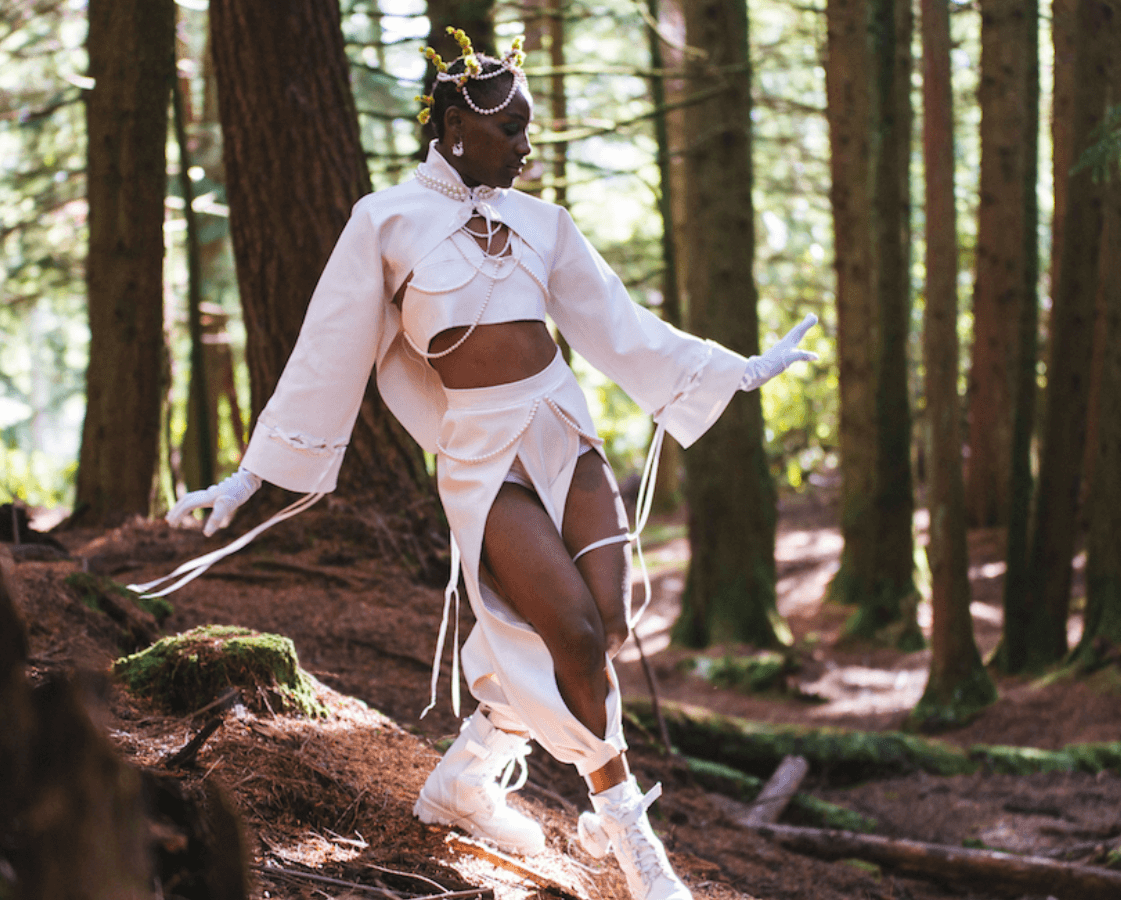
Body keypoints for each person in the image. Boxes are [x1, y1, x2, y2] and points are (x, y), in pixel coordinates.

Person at [151, 29, 816, 900]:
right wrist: (247, 477)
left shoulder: (545, 222)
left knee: (606, 624)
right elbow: (328, 352)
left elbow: (620, 327)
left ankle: (467, 777)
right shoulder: (383, 221)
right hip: (480, 452)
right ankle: (631, 836)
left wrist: (743, 369)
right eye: (516, 132)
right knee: (570, 634)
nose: (530, 148)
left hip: (561, 426)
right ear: (459, 127)